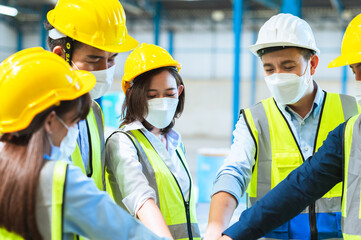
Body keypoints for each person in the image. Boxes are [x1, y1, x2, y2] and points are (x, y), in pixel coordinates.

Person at [205, 13, 360, 240]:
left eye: (288, 67)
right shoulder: (255, 119)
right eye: (269, 69)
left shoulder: (351, 112)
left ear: (313, 64)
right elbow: (234, 172)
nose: (278, 76)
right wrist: (216, 229)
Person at [0, 47, 168, 240]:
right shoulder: (60, 182)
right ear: (49, 122)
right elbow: (130, 235)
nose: (72, 131)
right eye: (72, 122)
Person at [105, 43, 200, 240]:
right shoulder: (123, 142)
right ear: (132, 94)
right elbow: (139, 197)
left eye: (169, 94)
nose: (162, 101)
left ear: (179, 91)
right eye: (151, 95)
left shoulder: (175, 142)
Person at [44, 0, 139, 190]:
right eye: (94, 59)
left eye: (111, 60)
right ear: (60, 55)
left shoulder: (94, 111)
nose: (105, 70)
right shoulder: (40, 114)